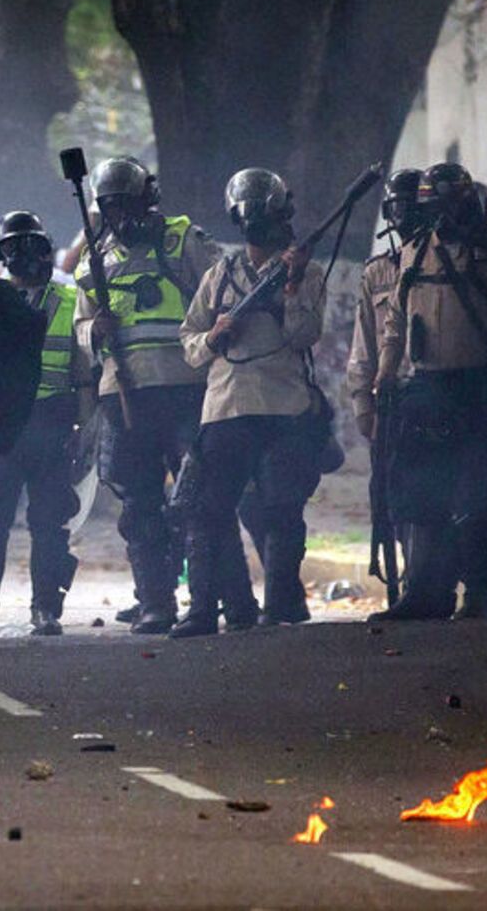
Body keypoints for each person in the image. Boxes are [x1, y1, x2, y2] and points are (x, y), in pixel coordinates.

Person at [371, 163, 487, 621]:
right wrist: (386, 375)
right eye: (436, 209)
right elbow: (393, 322)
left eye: (451, 208)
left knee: (486, 495)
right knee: (418, 492)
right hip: (427, 388)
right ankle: (428, 592)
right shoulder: (413, 255)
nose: (445, 219)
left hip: (485, 388)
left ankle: (482, 590)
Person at [175, 169, 327, 636]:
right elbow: (189, 342)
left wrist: (293, 288)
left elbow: (305, 336)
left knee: (282, 508)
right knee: (207, 511)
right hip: (227, 407)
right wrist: (215, 336)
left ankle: (280, 604)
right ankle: (204, 609)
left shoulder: (305, 272)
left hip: (284, 406)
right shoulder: (220, 275)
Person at [73, 155, 220, 634]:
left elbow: (222, 293)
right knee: (138, 505)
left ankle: (208, 603)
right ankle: (156, 602)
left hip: (185, 387)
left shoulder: (183, 241)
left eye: (126, 204)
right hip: (124, 394)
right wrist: (96, 328)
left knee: (194, 500)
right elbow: (80, 324)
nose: (119, 216)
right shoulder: (97, 257)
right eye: (109, 207)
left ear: (147, 198)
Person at [0, 211, 91, 636]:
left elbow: (85, 369)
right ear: (1, 253)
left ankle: (46, 609)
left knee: (50, 523)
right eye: (13, 248)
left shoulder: (71, 296)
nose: (24, 257)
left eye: (31, 245)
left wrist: (84, 431)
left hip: (53, 422)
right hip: (3, 430)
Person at [348, 169, 423, 441]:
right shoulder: (377, 273)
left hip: (435, 394)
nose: (405, 215)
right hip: (391, 398)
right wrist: (363, 406)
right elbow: (363, 345)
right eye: (398, 207)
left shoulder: (447, 268)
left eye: (412, 205)